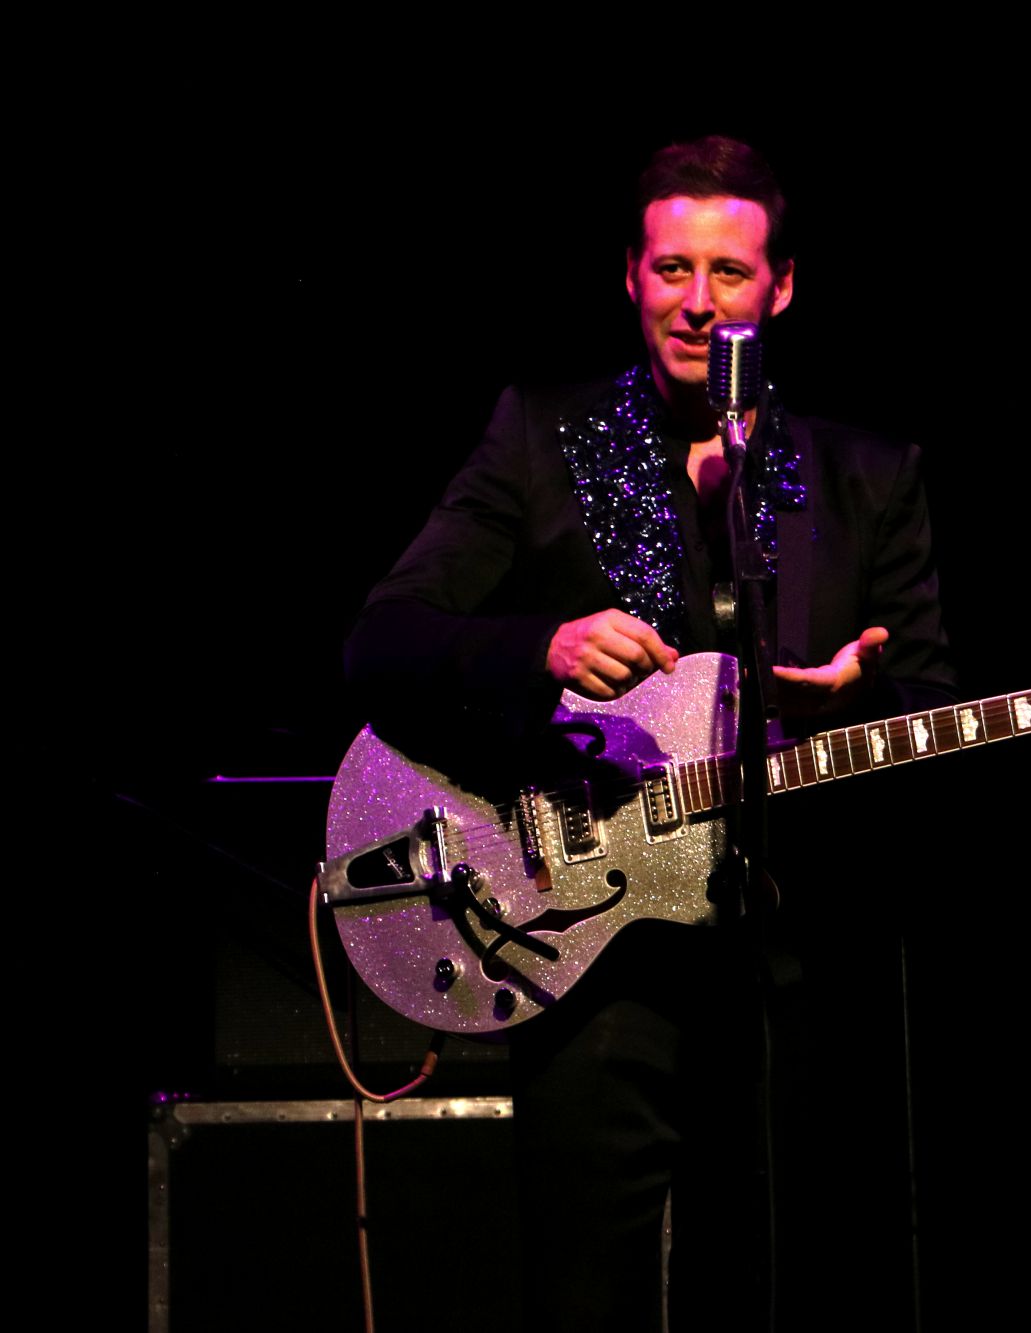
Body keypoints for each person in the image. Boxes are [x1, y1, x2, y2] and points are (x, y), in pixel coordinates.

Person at [345, 134, 956, 1332]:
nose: (696, 301)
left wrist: (844, 704)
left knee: (779, 1286)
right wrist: (541, 647)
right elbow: (380, 642)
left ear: (778, 287)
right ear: (628, 275)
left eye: (727, 274)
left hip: (787, 973)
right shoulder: (543, 437)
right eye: (671, 269)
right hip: (591, 955)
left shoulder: (863, 478)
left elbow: (926, 706)